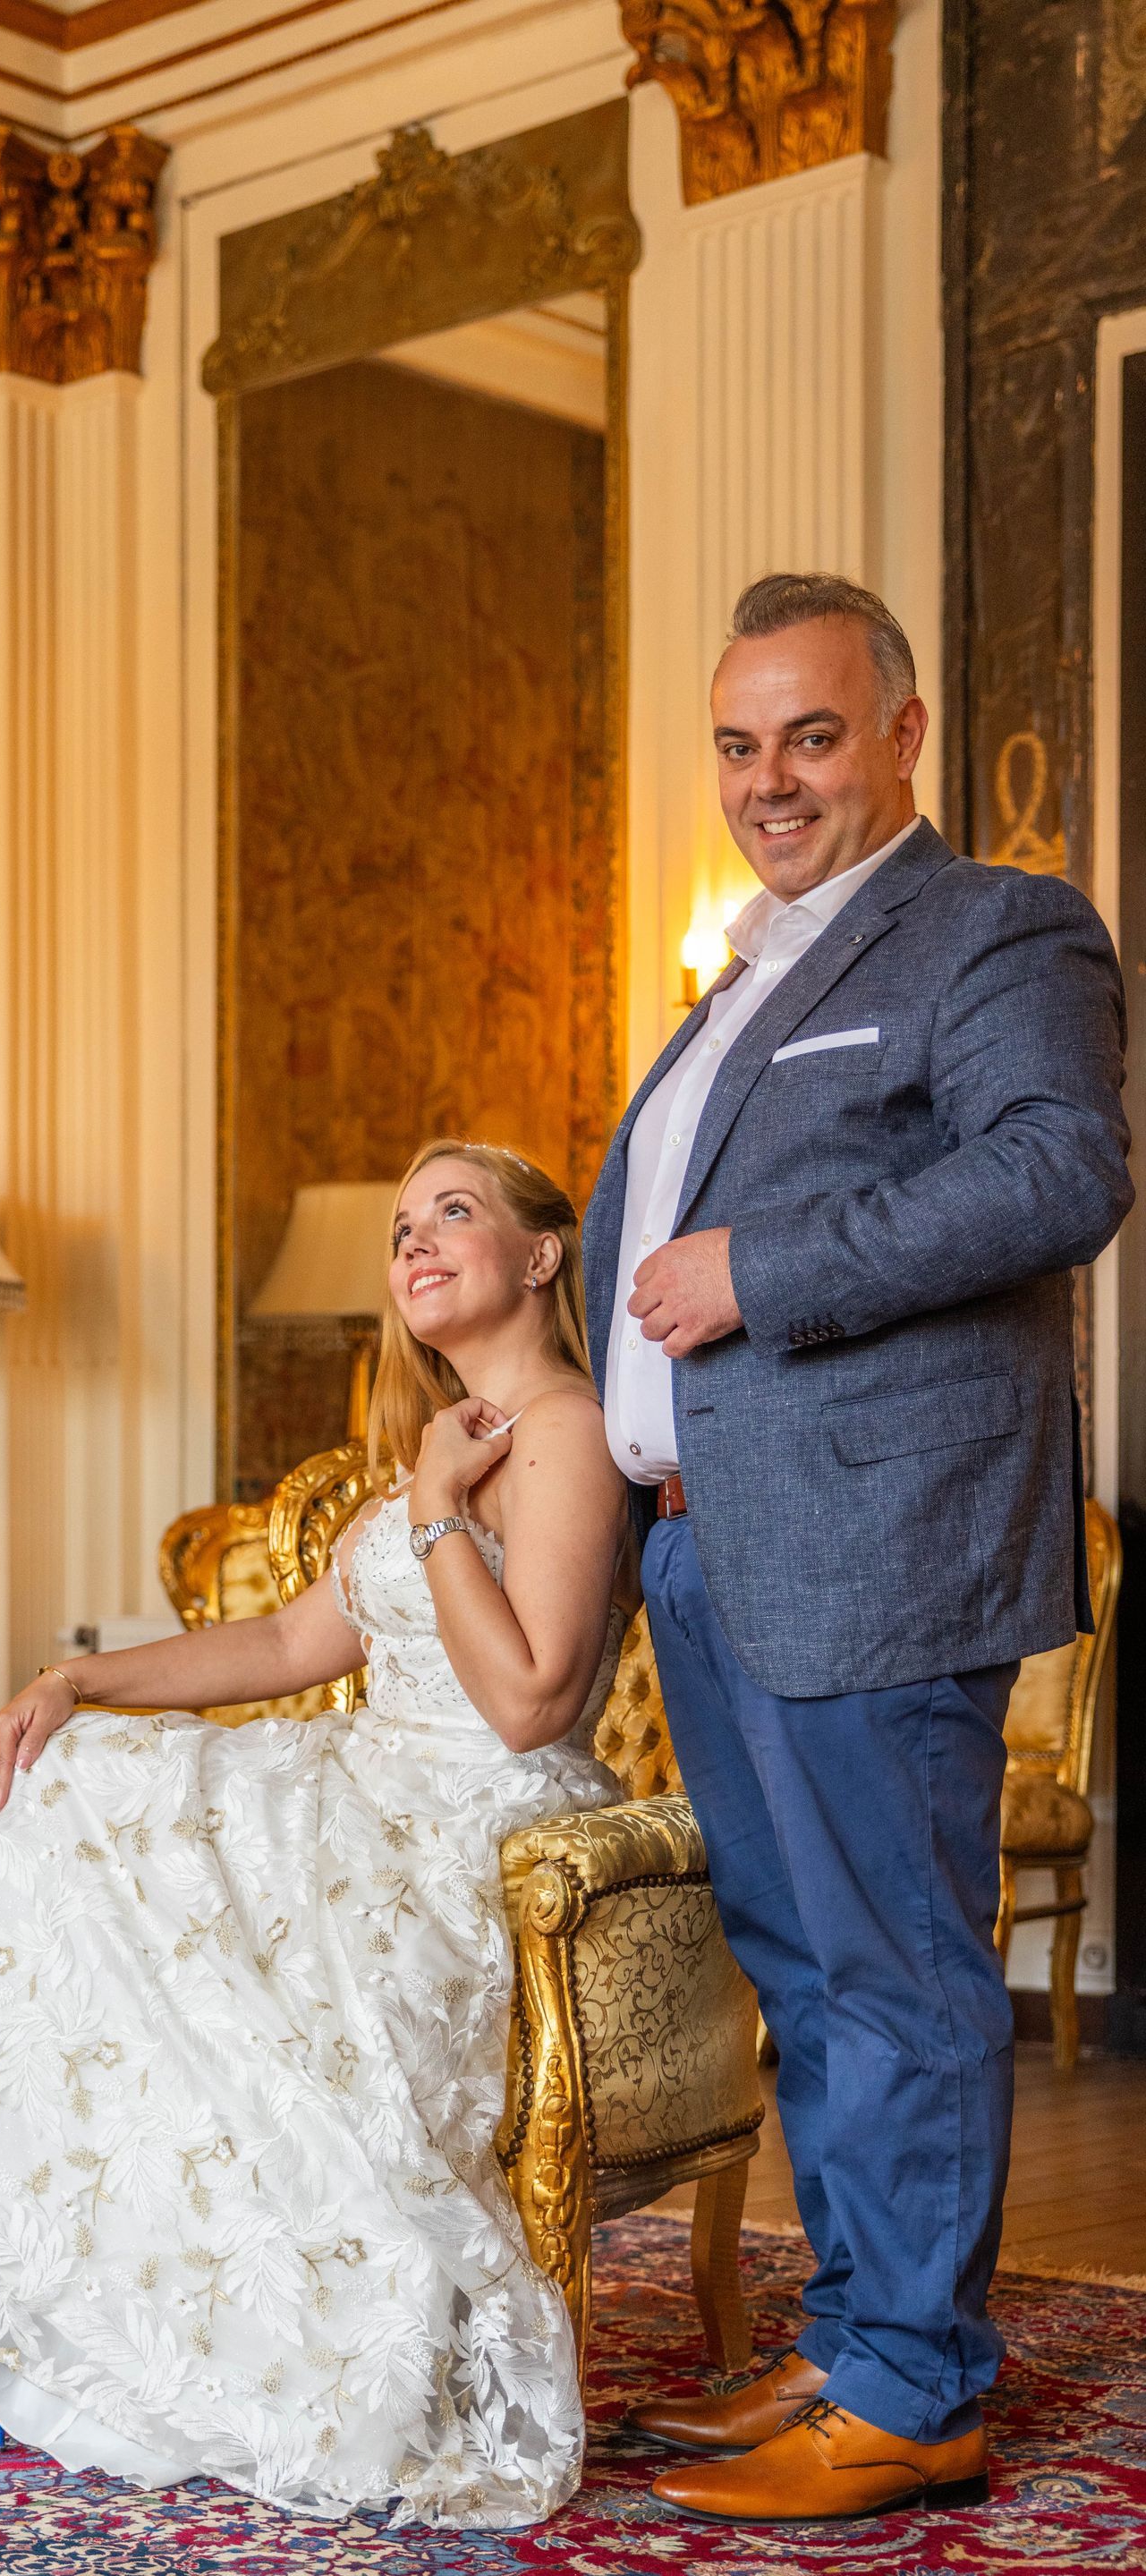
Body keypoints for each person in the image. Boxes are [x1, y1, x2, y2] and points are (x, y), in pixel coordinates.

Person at [0, 1139, 630, 2530]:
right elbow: (279, 1640)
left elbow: (528, 1705)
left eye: (454, 1214)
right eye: (402, 1228)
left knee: (108, 1869)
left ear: (541, 1255)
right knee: (69, 1796)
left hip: (466, 1838)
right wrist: (69, 1679)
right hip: (356, 1792)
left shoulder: (560, 1431)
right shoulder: (433, 1450)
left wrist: (442, 1509)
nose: (417, 1243)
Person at [583, 572, 1132, 2524]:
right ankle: (854, 2336)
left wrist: (766, 1268)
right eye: (738, 744)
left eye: (811, 735)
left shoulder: (996, 928)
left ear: (902, 733)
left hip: (882, 1545)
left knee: (895, 1966)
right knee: (805, 1971)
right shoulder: (740, 978)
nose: (769, 778)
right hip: (714, 1550)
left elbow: (1061, 1171)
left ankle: (915, 2388)